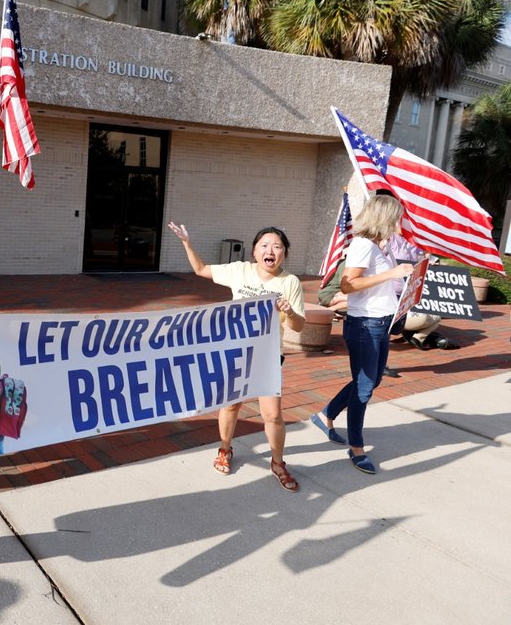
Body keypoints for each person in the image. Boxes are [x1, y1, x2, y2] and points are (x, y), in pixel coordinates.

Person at [168, 222, 305, 492]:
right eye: (264, 245)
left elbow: (298, 326)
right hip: (235, 354)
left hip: (268, 357)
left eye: (277, 247)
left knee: (273, 416)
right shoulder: (239, 270)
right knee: (231, 406)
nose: (271, 251)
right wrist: (186, 242)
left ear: (284, 254)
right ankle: (225, 449)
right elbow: (201, 270)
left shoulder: (290, 282)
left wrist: (289, 311)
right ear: (254, 252)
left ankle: (278, 463)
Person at [310, 195, 413, 475]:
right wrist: (391, 272)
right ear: (384, 217)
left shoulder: (379, 246)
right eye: (396, 216)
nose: (399, 221)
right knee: (365, 387)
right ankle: (357, 448)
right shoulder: (362, 245)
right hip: (365, 326)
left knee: (370, 380)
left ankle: (326, 415)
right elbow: (347, 285)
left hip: (380, 322)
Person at [318, 258, 401, 379]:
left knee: (362, 297)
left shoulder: (366, 263)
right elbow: (348, 286)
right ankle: (331, 309)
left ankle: (377, 366)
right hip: (332, 295)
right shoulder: (350, 264)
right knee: (360, 298)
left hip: (362, 306)